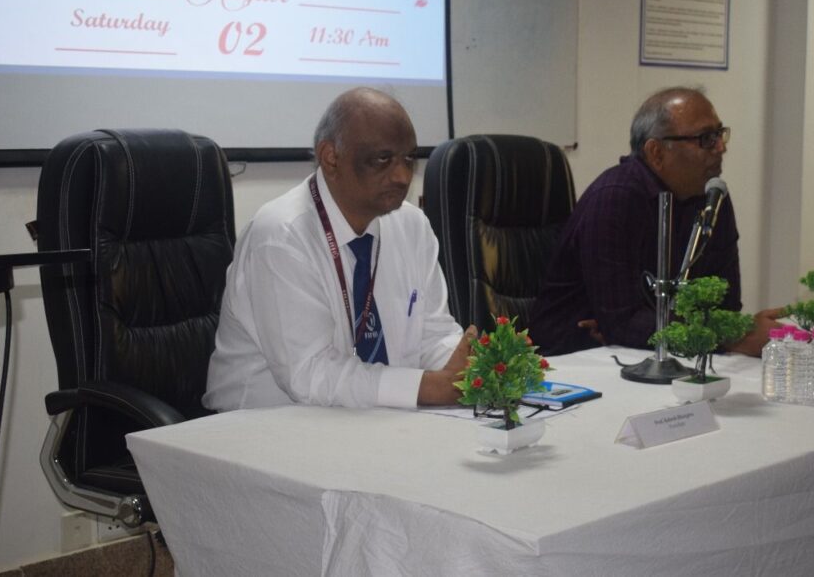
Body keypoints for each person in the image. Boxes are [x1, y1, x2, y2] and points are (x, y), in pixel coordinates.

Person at [203, 87, 475, 411]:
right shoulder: (281, 236)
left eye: (408, 159)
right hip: (260, 423)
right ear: (331, 158)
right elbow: (310, 374)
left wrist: (469, 368)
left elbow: (432, 333)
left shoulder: (412, 225)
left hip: (371, 417)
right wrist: (427, 388)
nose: (403, 176)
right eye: (383, 159)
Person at [531, 86, 781, 356]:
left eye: (719, 134)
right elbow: (624, 324)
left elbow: (724, 305)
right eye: (706, 138)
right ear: (656, 153)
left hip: (659, 353)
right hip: (575, 358)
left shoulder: (712, 196)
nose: (721, 147)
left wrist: (721, 329)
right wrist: (731, 334)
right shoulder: (615, 197)